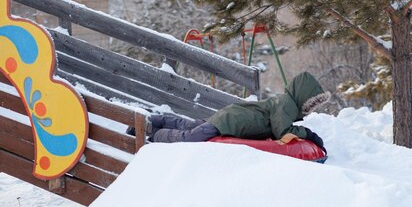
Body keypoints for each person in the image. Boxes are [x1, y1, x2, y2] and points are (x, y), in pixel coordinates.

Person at [131, 71, 329, 153]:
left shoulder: (286, 104)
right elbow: (282, 132)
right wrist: (309, 134)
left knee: (191, 125)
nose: (310, 109)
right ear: (303, 96)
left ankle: (154, 119)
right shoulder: (286, 104)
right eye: (311, 104)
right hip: (232, 122)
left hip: (232, 118)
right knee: (191, 137)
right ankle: (153, 132)